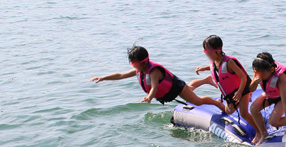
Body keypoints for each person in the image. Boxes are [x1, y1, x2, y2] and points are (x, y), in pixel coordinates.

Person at [90, 46, 224, 109]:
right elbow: (121, 75)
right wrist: (103, 77)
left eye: (134, 63)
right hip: (172, 88)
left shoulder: (153, 71)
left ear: (143, 61)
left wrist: (149, 97)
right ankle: (206, 80)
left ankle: (217, 103)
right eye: (132, 63)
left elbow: (154, 87)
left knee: (197, 102)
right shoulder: (139, 70)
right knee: (189, 89)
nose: (133, 66)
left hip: (177, 88)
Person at [189, 35, 258, 132]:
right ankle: (216, 102)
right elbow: (217, 67)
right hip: (231, 95)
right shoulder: (215, 60)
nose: (205, 53)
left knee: (244, 114)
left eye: (207, 51)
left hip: (242, 90)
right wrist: (204, 68)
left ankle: (261, 132)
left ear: (217, 50)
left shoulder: (229, 62)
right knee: (228, 111)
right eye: (204, 50)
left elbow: (243, 76)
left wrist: (239, 91)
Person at [249, 52, 286, 146]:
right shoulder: (259, 69)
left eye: (261, 73)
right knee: (253, 109)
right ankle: (263, 133)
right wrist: (255, 83)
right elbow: (251, 89)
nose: (259, 75)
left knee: (273, 122)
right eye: (256, 72)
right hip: (270, 93)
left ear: (271, 69)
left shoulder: (280, 76)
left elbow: (284, 102)